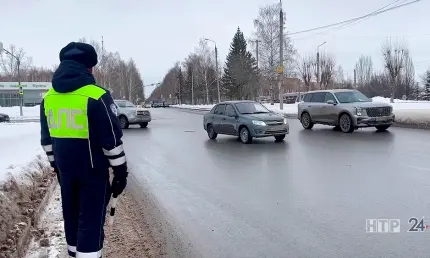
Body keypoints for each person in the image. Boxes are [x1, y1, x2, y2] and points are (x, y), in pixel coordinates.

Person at [40, 42, 128, 258]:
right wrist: (120, 173)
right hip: (93, 174)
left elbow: (46, 140)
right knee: (90, 222)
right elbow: (111, 141)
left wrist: (57, 167)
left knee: (71, 218)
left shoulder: (48, 98)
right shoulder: (96, 96)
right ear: (90, 68)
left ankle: (73, 254)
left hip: (66, 173)